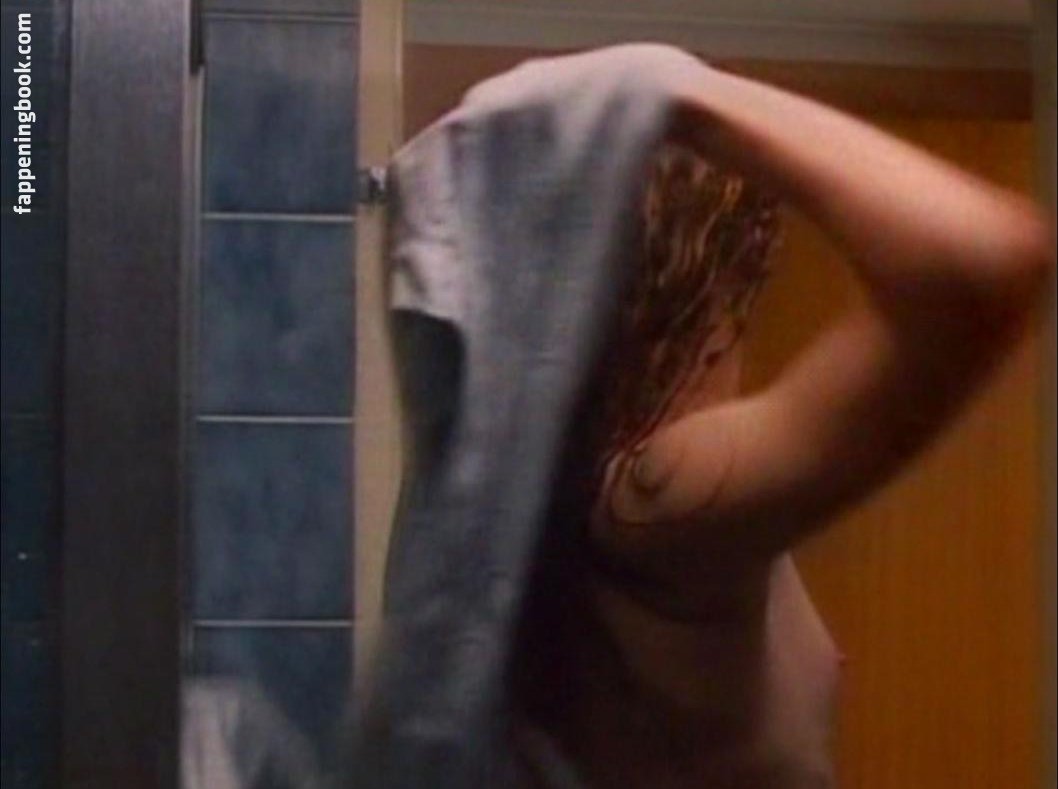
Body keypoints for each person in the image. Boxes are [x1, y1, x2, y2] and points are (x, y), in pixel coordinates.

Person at [508, 63, 1055, 788]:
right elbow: (978, 264)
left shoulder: (615, 508)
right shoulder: (655, 500)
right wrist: (669, 82)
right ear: (726, 265)